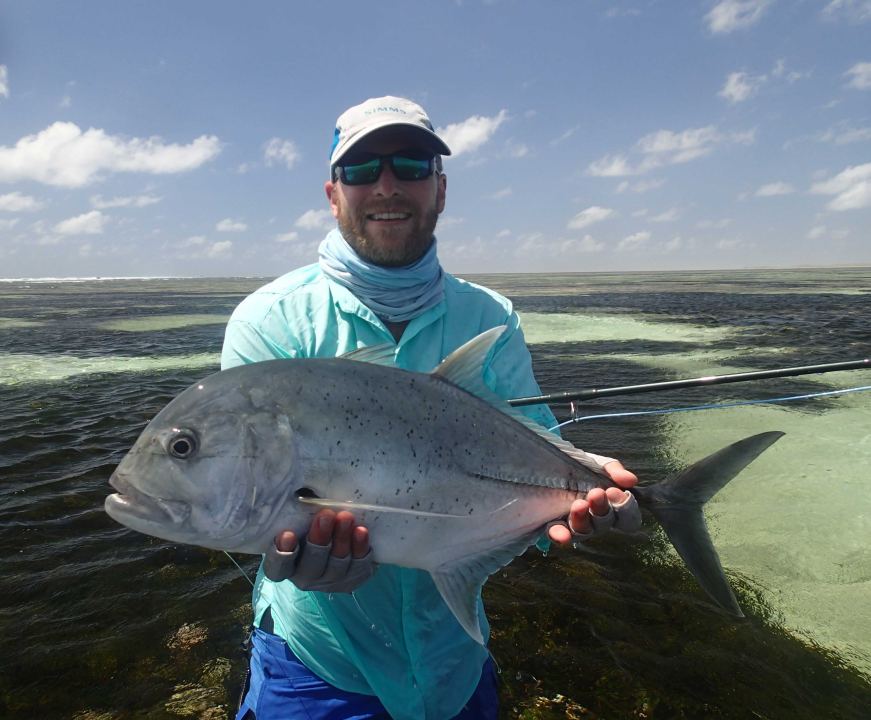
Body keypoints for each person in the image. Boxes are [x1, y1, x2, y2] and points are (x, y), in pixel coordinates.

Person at [222, 96, 641, 720]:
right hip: (318, 667)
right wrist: (289, 555)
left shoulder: (490, 317)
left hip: (453, 664)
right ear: (333, 194)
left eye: (412, 165)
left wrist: (588, 497)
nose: (386, 185)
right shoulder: (269, 323)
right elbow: (256, 489)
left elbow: (537, 448)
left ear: (440, 189)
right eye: (362, 169)